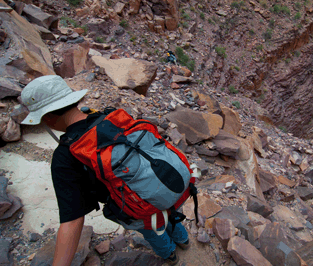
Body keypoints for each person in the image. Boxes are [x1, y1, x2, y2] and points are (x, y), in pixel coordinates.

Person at [20, 75, 189, 266]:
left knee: (152, 229)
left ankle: (170, 255)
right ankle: (184, 240)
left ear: (47, 117)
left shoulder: (66, 156)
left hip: (133, 205)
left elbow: (72, 220)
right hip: (160, 181)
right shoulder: (107, 116)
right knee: (171, 213)